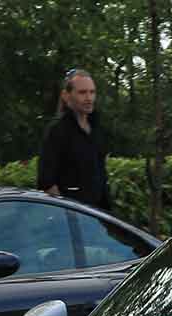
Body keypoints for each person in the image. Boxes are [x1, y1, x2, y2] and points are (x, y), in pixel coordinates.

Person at [37, 68, 111, 210]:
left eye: (92, 92)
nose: (89, 98)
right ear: (66, 95)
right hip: (70, 215)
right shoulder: (57, 131)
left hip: (98, 214)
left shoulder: (97, 128)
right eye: (82, 92)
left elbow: (101, 175)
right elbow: (46, 182)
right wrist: (68, 213)